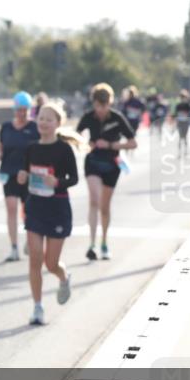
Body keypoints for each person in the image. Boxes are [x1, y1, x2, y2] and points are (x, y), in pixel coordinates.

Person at [16, 102, 80, 326]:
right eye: (41, 118)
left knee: (50, 263)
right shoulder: (32, 148)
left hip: (57, 209)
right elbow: (25, 175)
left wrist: (58, 182)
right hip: (35, 209)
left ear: (57, 123)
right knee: (35, 259)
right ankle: (37, 307)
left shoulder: (64, 149)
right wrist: (22, 178)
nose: (43, 122)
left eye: (48, 119)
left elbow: (74, 178)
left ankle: (63, 277)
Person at [76, 83, 137, 261]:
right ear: (93, 103)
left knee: (104, 207)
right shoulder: (88, 117)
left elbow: (133, 143)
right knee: (93, 200)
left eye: (105, 106)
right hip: (93, 162)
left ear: (109, 103)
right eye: (98, 106)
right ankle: (92, 244)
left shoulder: (117, 118)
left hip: (112, 164)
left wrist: (111, 145)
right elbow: (76, 138)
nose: (101, 109)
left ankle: (104, 242)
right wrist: (87, 144)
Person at [0, 91, 40, 262]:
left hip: (28, 176)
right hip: (8, 173)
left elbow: (39, 152)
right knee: (11, 208)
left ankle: (30, 241)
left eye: (25, 109)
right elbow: (0, 149)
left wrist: (30, 170)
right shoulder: (6, 127)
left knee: (29, 211)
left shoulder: (35, 128)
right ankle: (14, 247)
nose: (21, 113)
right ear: (14, 109)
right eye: (18, 109)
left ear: (29, 109)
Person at [173, 90, 190, 159]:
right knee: (179, 137)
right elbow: (175, 114)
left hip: (186, 122)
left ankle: (185, 151)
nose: (182, 98)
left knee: (185, 137)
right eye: (181, 97)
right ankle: (179, 152)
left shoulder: (188, 105)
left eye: (184, 97)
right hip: (180, 122)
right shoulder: (178, 105)